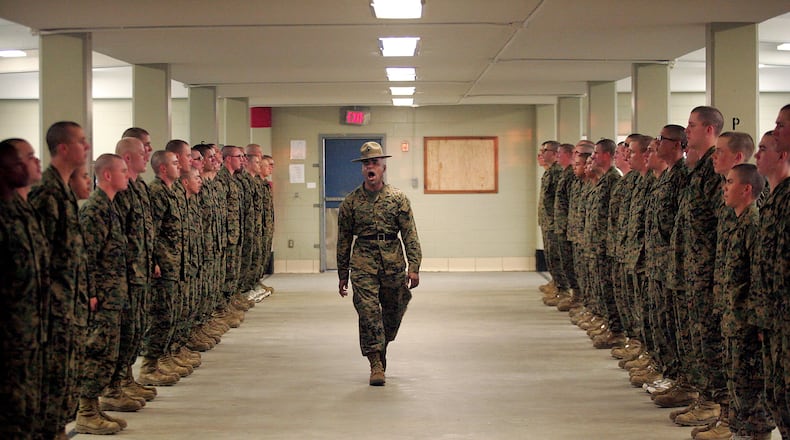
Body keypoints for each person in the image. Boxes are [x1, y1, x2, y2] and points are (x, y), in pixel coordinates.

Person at [337, 141, 421, 386]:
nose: (370, 167)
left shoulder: (397, 199)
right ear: (362, 169)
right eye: (366, 163)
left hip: (393, 264)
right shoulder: (351, 202)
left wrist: (414, 266)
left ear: (383, 167)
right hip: (363, 263)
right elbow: (343, 239)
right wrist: (343, 272)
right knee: (368, 312)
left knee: (393, 311)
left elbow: (410, 234)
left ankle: (381, 344)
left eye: (374, 162)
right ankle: (375, 363)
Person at [28, 121, 91, 439]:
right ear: (64, 148)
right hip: (52, 312)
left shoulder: (65, 192)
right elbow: (38, 260)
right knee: (51, 386)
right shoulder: (46, 193)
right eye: (82, 141)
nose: (87, 146)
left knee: (66, 384)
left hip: (69, 307)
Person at [75, 154, 131, 435]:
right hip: (101, 297)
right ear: (107, 175)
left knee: (108, 352)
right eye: (122, 170)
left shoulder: (110, 207)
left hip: (113, 293)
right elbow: (85, 256)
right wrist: (91, 293)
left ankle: (95, 407)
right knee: (96, 351)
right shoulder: (94, 209)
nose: (127, 175)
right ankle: (85, 411)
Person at [0, 140, 48, 439]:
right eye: (28, 158)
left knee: (26, 407)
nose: (36, 162)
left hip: (29, 330)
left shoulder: (23, 211)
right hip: (10, 337)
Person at [752, 105, 790, 438]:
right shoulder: (769, 198)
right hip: (774, 315)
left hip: (784, 314)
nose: (775, 129)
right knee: (777, 395)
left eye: (780, 125)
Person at [112, 137, 160, 398]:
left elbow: (144, 231)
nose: (148, 154)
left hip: (140, 271)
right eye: (143, 150)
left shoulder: (139, 187)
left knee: (135, 329)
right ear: (128, 157)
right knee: (122, 332)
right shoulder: (119, 191)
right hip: (125, 275)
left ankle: (126, 378)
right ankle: (114, 386)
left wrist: (150, 261)